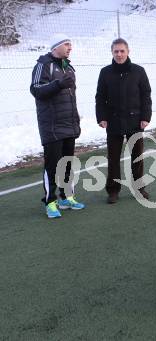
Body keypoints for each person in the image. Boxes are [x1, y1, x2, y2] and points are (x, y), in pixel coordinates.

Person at [30, 33, 85, 219]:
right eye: (67, 44)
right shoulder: (43, 65)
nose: (70, 48)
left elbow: (71, 98)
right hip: (52, 127)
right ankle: (50, 202)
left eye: (71, 44)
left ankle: (66, 197)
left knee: (67, 164)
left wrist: (75, 120)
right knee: (52, 167)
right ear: (56, 47)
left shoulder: (69, 67)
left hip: (68, 125)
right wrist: (58, 84)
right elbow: (36, 90)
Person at [95, 38, 152, 204]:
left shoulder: (139, 71)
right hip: (113, 122)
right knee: (113, 158)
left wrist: (145, 117)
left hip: (135, 121)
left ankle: (139, 188)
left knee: (137, 157)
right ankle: (113, 190)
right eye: (116, 51)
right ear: (112, 53)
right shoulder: (105, 72)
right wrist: (102, 117)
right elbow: (100, 97)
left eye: (122, 51)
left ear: (128, 51)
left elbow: (146, 95)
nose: (119, 54)